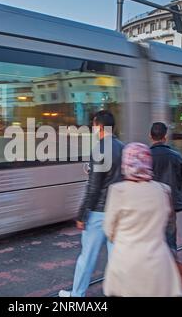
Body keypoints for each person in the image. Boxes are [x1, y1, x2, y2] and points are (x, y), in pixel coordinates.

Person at [103, 143, 182, 297]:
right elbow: (169, 226)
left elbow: (109, 231)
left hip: (126, 263)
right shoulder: (163, 190)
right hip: (158, 263)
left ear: (126, 163)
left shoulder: (118, 191)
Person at [59, 110, 124, 297]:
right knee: (116, 258)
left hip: (98, 213)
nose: (93, 128)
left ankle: (77, 295)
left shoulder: (100, 150)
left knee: (87, 257)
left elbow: (93, 188)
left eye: (94, 125)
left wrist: (81, 215)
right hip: (117, 210)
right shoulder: (123, 147)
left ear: (100, 127)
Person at [149, 122, 182, 254]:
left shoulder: (145, 156)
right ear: (165, 137)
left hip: (151, 205)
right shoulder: (176, 155)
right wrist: (177, 192)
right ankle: (171, 265)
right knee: (170, 240)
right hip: (170, 205)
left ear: (150, 136)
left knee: (152, 238)